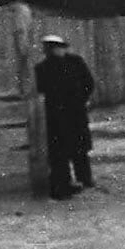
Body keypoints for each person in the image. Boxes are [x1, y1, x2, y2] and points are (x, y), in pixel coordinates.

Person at [34, 34, 95, 199]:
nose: (55, 51)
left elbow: (89, 83)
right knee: (59, 152)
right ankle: (64, 184)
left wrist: (81, 100)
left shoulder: (76, 63)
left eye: (57, 47)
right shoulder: (42, 68)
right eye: (50, 48)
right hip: (56, 116)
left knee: (80, 148)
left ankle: (85, 178)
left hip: (75, 112)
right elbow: (40, 91)